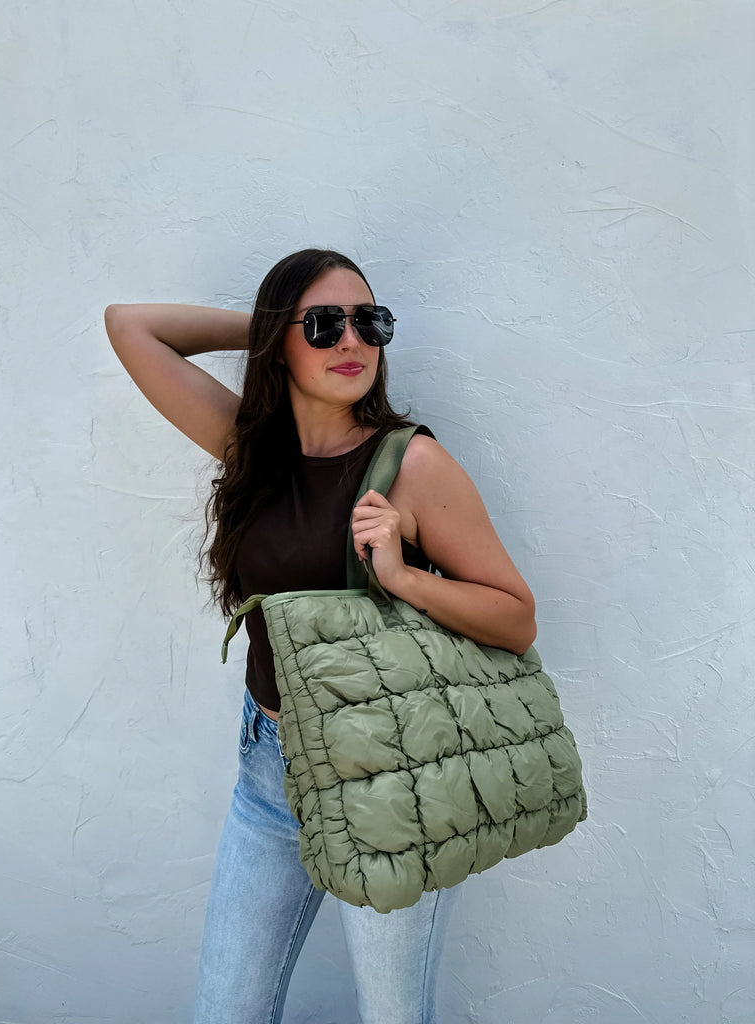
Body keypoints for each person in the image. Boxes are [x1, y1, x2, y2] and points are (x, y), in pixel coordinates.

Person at [105, 248, 537, 1024]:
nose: (352, 341)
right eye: (325, 325)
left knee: (392, 1015)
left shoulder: (412, 464)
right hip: (268, 773)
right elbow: (130, 327)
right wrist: (270, 325)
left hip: (390, 785)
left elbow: (515, 616)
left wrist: (403, 576)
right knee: (226, 1011)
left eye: (370, 323)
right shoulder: (253, 446)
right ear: (281, 343)